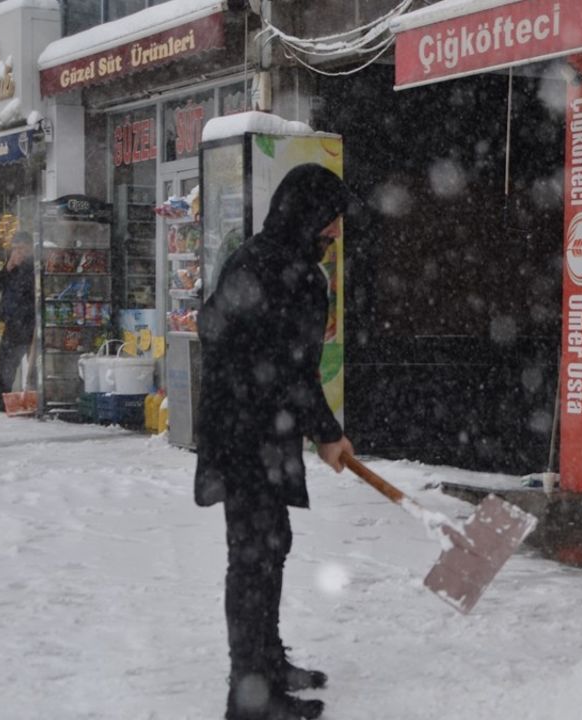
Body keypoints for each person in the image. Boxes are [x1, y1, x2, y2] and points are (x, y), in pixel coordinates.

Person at [195, 164, 356, 720]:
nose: (335, 231)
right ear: (306, 214)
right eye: (330, 219)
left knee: (269, 546)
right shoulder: (283, 272)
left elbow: (221, 328)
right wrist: (329, 434)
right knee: (253, 559)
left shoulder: (263, 260)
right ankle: (251, 697)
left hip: (250, 429)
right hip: (248, 434)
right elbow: (288, 370)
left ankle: (265, 661)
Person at [0, 231, 35, 412]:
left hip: (30, 324)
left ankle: (34, 401)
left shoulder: (34, 266)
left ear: (30, 248)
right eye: (15, 249)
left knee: (34, 367)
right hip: (12, 325)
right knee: (4, 367)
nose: (18, 252)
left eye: (22, 249)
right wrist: (8, 267)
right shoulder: (12, 266)